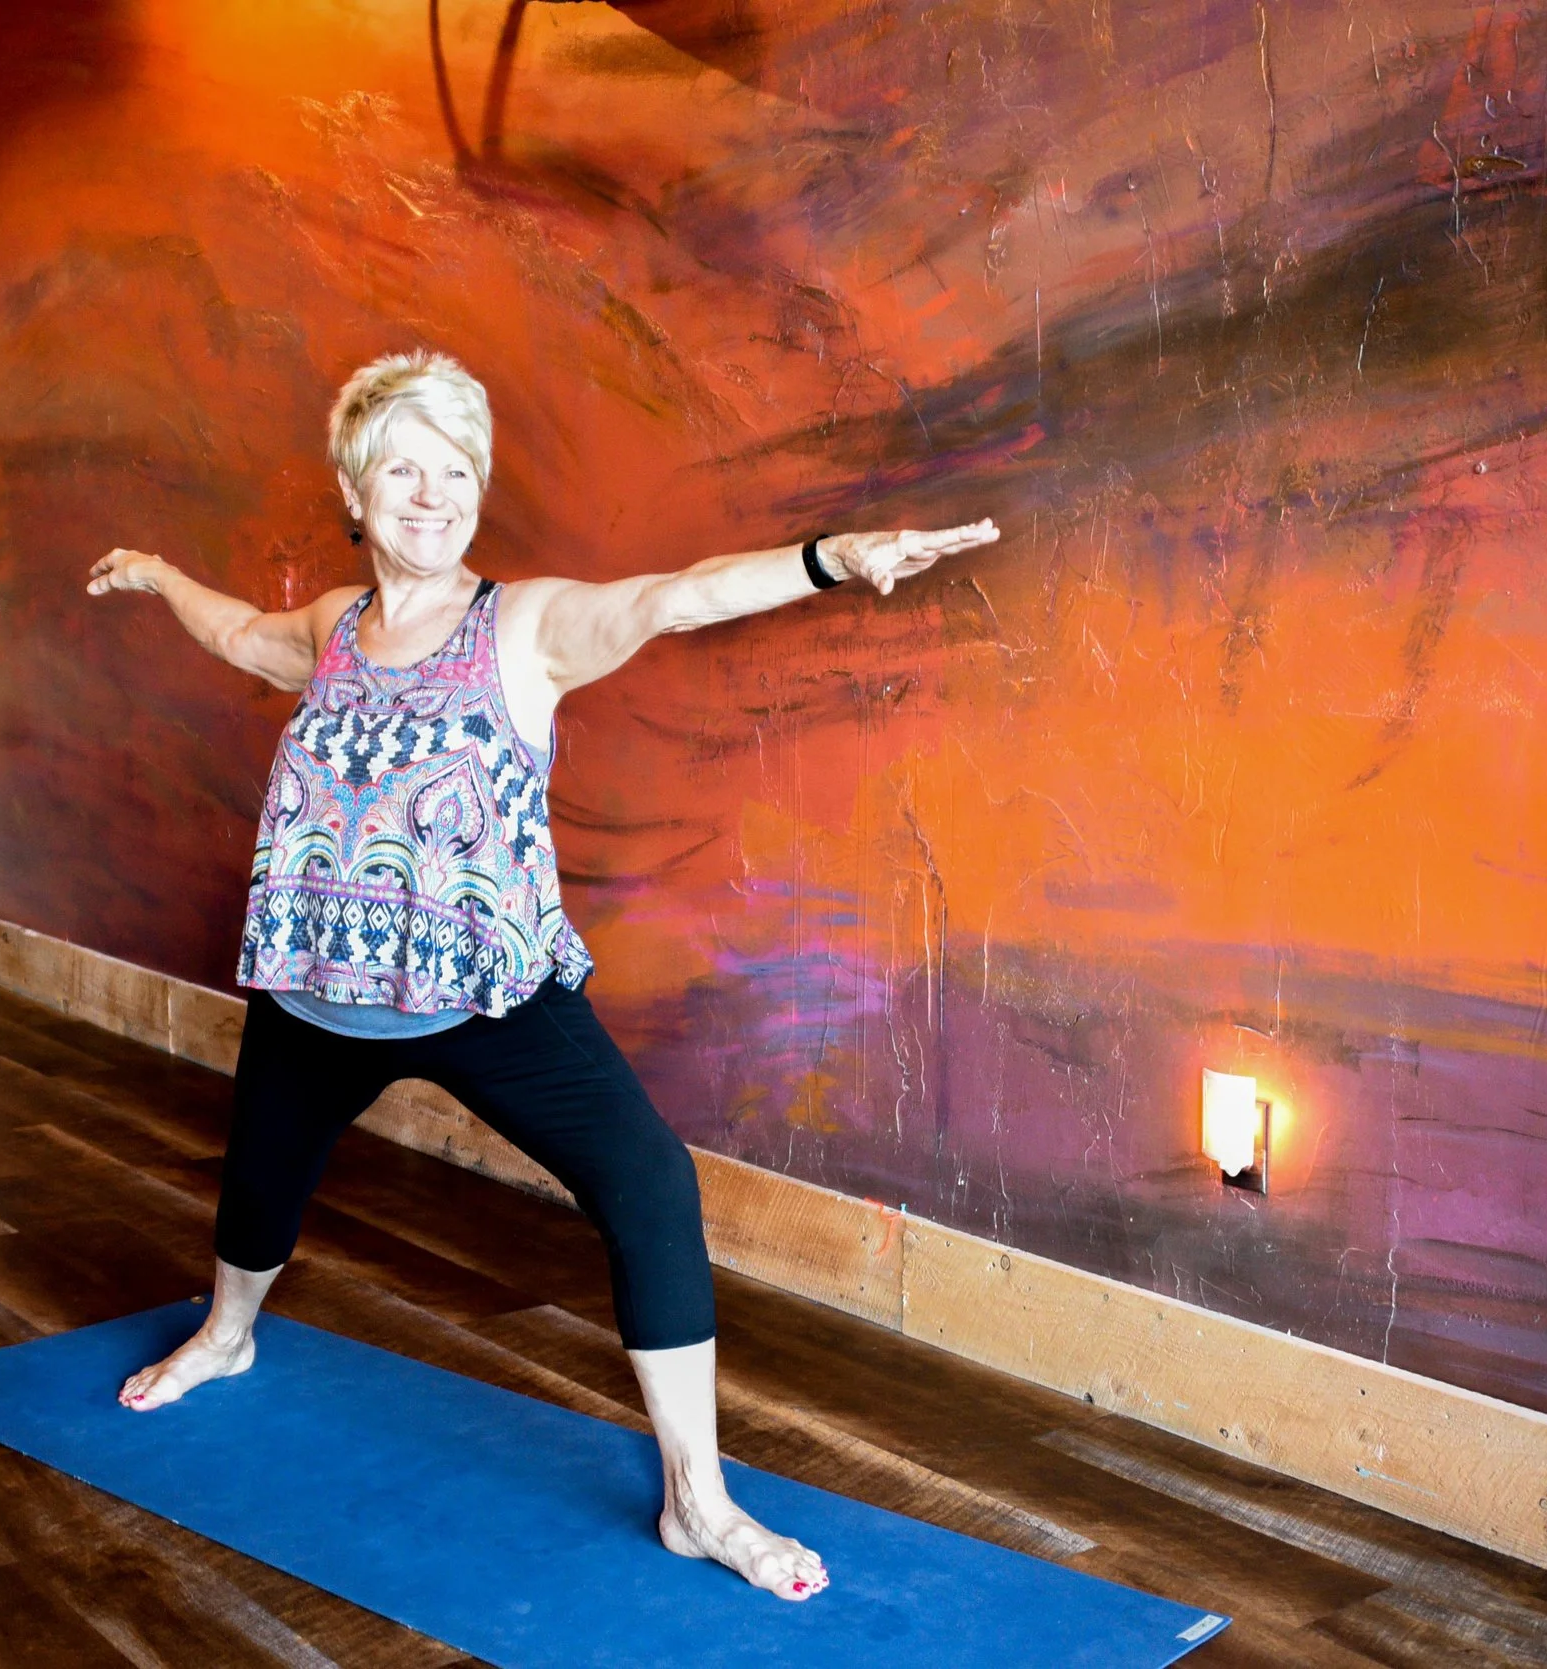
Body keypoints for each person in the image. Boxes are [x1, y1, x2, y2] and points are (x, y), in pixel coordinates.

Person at [86, 350, 999, 1602]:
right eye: (401, 469)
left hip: (487, 995)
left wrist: (831, 558)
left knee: (649, 1183)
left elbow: (674, 599)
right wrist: (154, 575)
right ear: (354, 492)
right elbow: (240, 632)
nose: (430, 494)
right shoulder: (330, 632)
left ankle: (699, 1501)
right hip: (320, 994)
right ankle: (228, 1335)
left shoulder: (521, 624)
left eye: (454, 471)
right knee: (257, 1184)